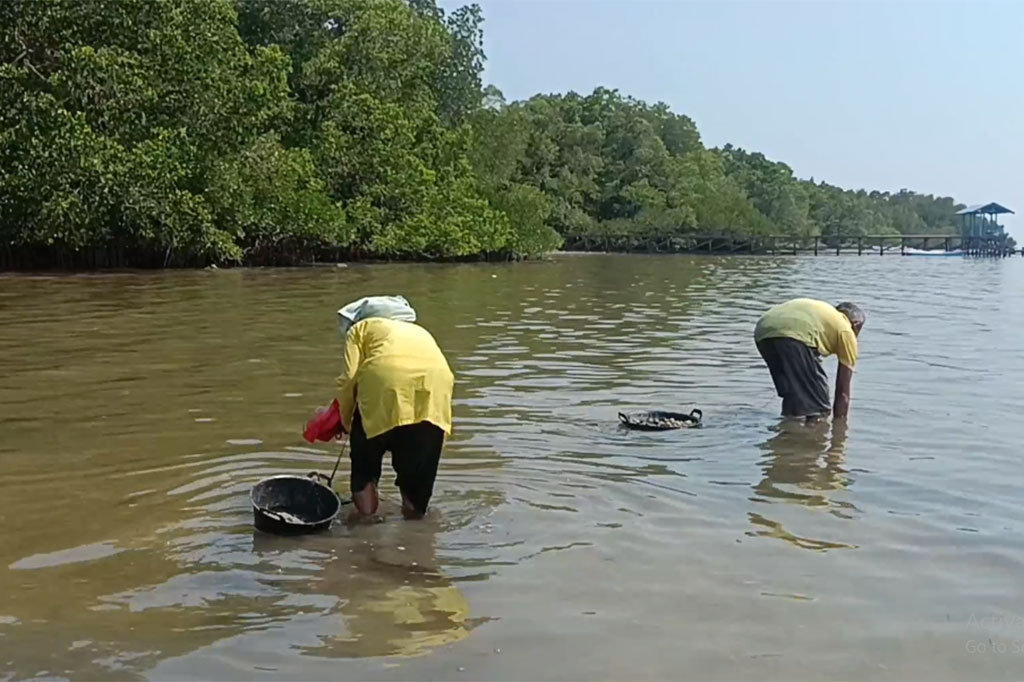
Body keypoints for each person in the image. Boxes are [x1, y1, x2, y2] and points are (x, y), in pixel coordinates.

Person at [335, 312, 454, 520]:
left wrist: (345, 422)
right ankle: (416, 533)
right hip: (431, 396)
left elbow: (348, 379)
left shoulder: (359, 328)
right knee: (418, 476)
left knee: (365, 465)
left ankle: (367, 525)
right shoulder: (419, 331)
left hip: (382, 389)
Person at [754, 298, 865, 421]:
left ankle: (787, 433)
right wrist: (840, 428)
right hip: (794, 336)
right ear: (855, 324)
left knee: (793, 395)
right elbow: (842, 392)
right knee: (819, 406)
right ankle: (812, 436)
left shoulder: (824, 315)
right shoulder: (846, 330)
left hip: (763, 331)